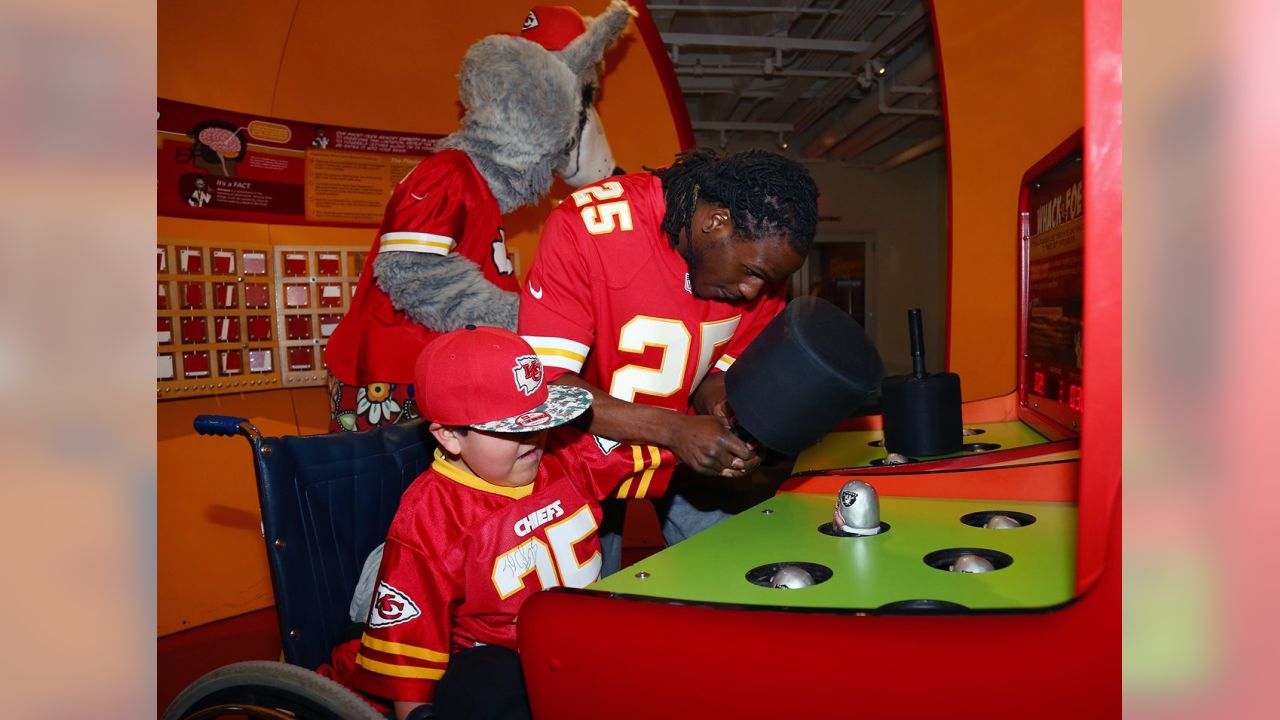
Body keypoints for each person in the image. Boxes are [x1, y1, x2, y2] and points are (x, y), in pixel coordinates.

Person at [323, 1, 633, 433]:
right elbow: (414, 273)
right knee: (399, 496)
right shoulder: (447, 174)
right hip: (391, 380)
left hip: (436, 374)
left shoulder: (483, 194)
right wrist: (526, 320)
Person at [518, 148, 819, 575]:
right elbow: (546, 388)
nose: (755, 292)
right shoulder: (588, 227)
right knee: (592, 609)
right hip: (574, 459)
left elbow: (715, 374)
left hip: (677, 466)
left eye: (768, 280)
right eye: (751, 272)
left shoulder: (762, 269)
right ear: (715, 222)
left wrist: (728, 415)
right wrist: (675, 429)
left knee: (743, 577)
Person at [350, 326, 673, 720]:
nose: (534, 438)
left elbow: (663, 447)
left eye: (541, 420)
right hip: (502, 664)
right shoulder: (432, 516)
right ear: (450, 436)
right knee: (487, 680)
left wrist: (701, 435)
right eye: (512, 429)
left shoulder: (564, 455)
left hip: (582, 640)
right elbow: (408, 647)